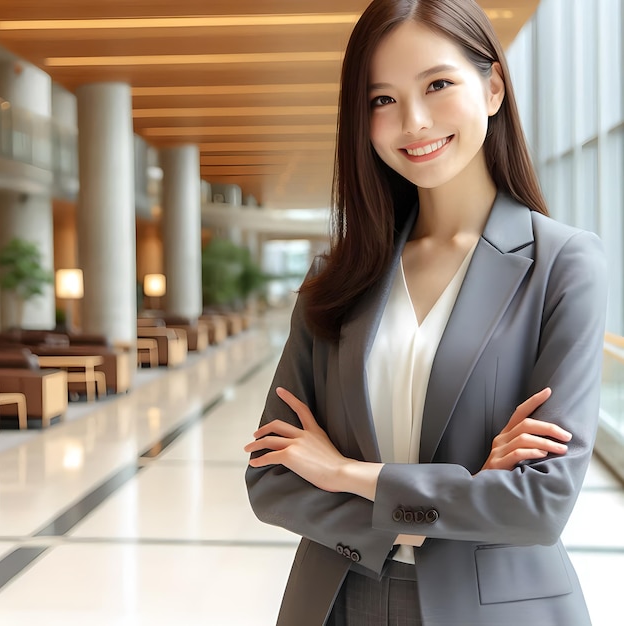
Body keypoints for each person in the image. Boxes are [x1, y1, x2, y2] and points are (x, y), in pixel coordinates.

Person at [244, 1, 608, 624]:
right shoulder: (337, 276)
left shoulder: (564, 264)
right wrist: (464, 492)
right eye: (381, 100)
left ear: (492, 87)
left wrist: (343, 471)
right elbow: (272, 480)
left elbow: (539, 504)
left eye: (437, 84)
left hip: (495, 606)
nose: (412, 122)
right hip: (337, 599)